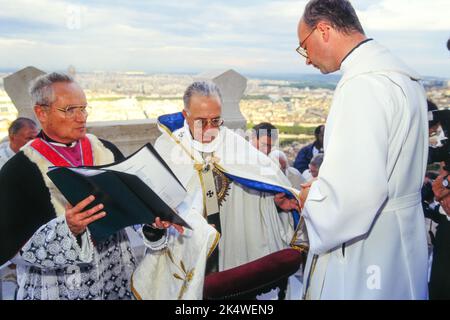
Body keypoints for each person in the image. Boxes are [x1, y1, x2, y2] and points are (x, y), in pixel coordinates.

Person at [296, 0, 428, 299]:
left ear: (324, 30)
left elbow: (354, 200)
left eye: (304, 46)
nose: (306, 59)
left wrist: (312, 197)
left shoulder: (361, 85)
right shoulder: (402, 76)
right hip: (401, 234)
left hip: (367, 251)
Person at [0, 72, 171, 300]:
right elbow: (12, 245)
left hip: (115, 270)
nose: (82, 118)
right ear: (41, 112)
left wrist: (153, 221)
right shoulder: (19, 169)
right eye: (70, 110)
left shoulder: (104, 149)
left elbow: (133, 206)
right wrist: (68, 230)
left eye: (83, 108)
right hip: (58, 284)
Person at [153, 81, 305, 277]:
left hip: (230, 243)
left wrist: (274, 203)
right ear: (185, 115)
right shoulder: (168, 147)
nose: (209, 129)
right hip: (184, 243)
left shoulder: (234, 144)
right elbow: (153, 200)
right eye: (201, 121)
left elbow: (258, 184)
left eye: (216, 120)